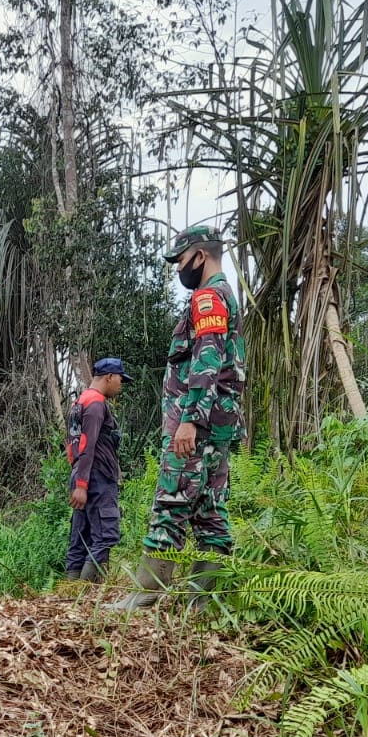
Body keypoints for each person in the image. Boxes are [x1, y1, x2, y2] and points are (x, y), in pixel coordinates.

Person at [107, 225, 245, 611]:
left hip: (196, 425)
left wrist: (190, 420)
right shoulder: (226, 297)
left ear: (200, 256)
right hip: (217, 425)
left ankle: (147, 592)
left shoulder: (209, 298)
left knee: (171, 498)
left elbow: (208, 360)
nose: (179, 269)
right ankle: (206, 601)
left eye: (181, 261)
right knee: (210, 509)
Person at [65, 357, 132, 583]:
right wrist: (83, 484)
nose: (121, 385)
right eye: (120, 379)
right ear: (109, 377)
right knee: (106, 535)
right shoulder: (95, 404)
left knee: (81, 537)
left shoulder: (79, 402)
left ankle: (69, 593)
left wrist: (78, 478)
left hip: (82, 474)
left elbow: (73, 445)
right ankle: (82, 597)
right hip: (97, 477)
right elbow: (87, 444)